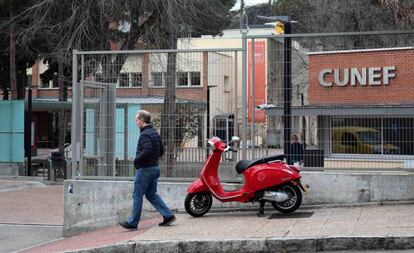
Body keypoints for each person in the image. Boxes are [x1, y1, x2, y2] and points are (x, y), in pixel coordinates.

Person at [119, 110, 176, 230]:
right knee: (151, 194)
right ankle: (168, 215)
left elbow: (147, 151)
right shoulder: (154, 133)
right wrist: (152, 160)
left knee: (137, 195)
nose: (136, 122)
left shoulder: (145, 135)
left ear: (142, 121)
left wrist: (136, 161)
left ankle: (133, 222)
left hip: (145, 170)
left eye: (137, 120)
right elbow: (161, 151)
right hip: (155, 168)